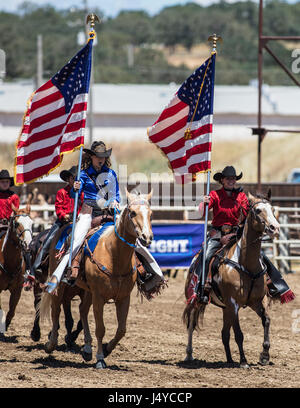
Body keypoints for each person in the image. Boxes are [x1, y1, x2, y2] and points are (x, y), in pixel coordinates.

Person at [197, 165, 295, 304]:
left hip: (236, 234)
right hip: (217, 233)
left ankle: (272, 284)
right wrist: (203, 203)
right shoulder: (214, 195)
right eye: (228, 178)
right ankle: (203, 287)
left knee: (260, 256)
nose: (231, 180)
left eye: (233, 178)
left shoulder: (241, 196)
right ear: (222, 180)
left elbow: (249, 211)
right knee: (206, 254)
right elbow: (201, 211)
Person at [45, 141, 120, 293]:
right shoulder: (83, 174)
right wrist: (75, 188)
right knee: (77, 240)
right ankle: (58, 275)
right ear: (92, 157)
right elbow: (74, 195)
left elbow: (116, 194)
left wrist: (116, 202)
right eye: (98, 156)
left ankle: (147, 272)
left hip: (108, 212)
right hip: (88, 212)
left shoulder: (111, 174)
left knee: (131, 235)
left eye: (104, 157)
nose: (101, 159)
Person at [25, 166, 84, 287]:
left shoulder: (81, 194)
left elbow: (83, 207)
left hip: (78, 222)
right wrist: (65, 216)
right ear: (68, 179)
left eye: (78, 179)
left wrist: (78, 216)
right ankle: (37, 266)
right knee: (48, 240)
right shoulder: (61, 193)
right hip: (62, 222)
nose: (76, 181)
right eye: (73, 178)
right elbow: (59, 209)